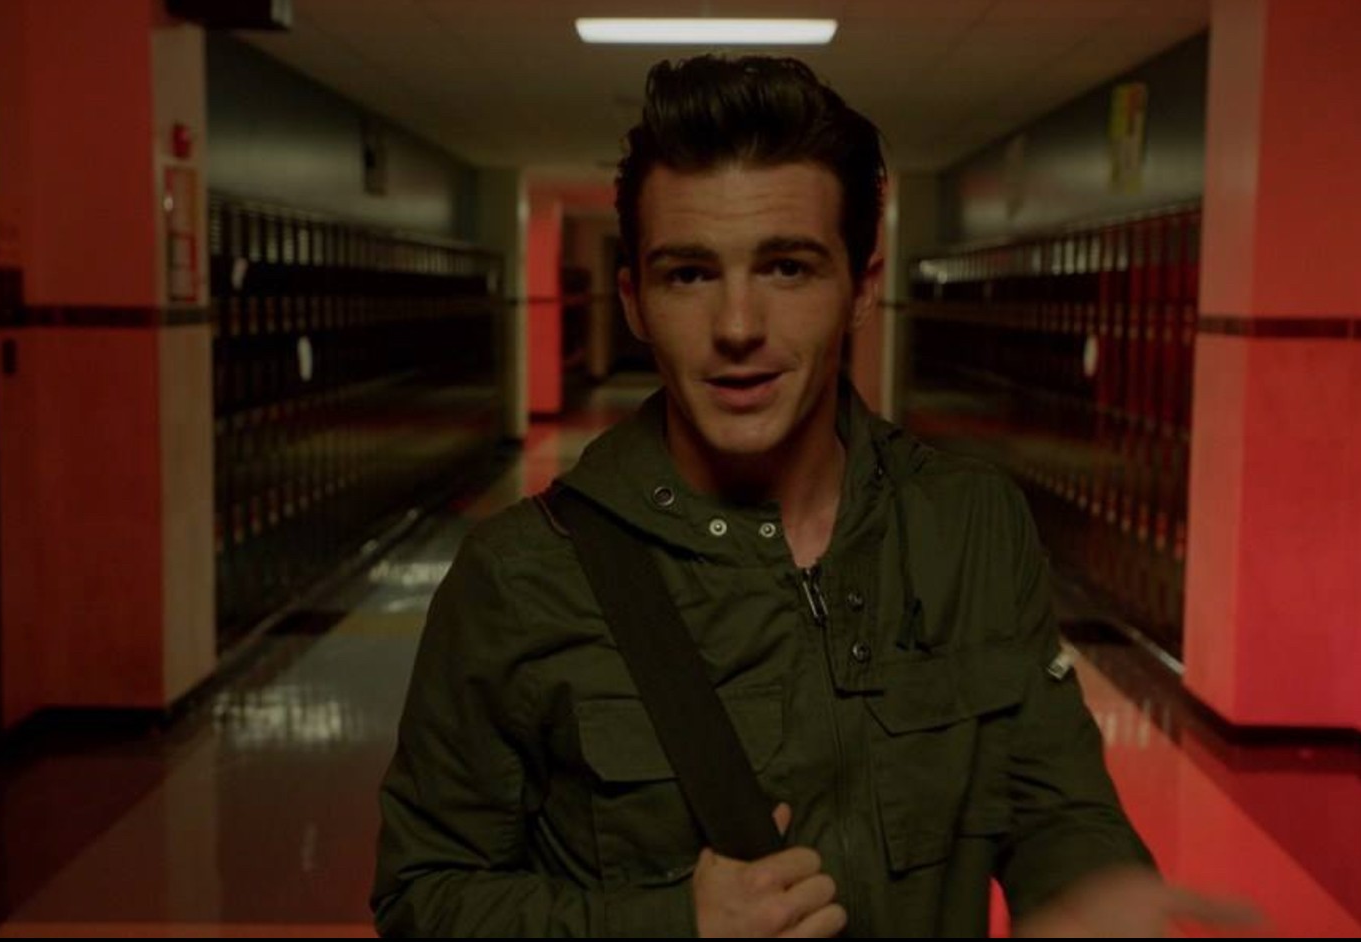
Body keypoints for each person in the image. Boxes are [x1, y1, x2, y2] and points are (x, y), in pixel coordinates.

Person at [372, 54, 1255, 938]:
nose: (738, 327)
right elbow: (424, 894)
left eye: (788, 268)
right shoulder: (521, 576)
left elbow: (1055, 801)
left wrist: (1093, 888)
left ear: (860, 288)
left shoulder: (968, 525)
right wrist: (672, 925)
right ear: (635, 300)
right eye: (690, 274)